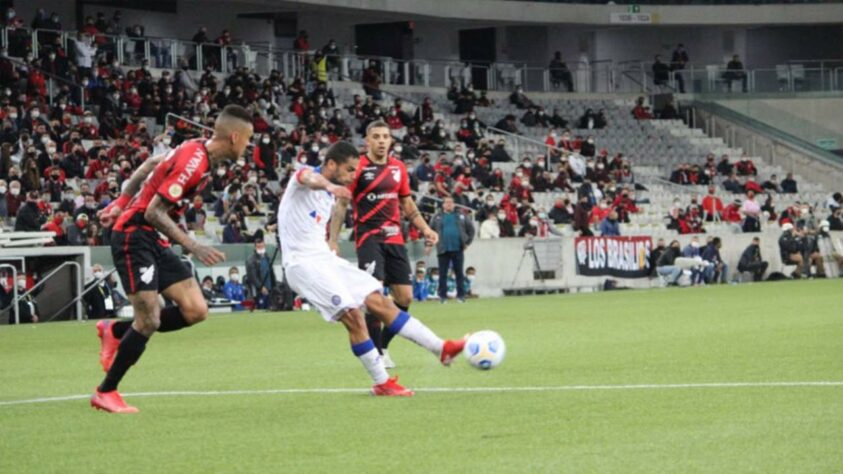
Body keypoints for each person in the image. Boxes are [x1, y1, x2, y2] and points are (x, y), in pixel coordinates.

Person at [90, 105, 252, 413]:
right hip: (134, 236)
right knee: (149, 318)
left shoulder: (194, 149)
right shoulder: (194, 162)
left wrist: (121, 200)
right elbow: (154, 211)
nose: (248, 146)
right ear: (234, 137)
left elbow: (151, 163)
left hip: (153, 238)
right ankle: (106, 392)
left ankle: (115, 332)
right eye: (248, 139)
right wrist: (194, 246)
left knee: (196, 310)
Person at [277, 141, 467, 396]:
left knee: (379, 301)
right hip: (302, 264)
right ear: (331, 165)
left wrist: (331, 239)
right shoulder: (304, 179)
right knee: (353, 315)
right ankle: (382, 382)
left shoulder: (330, 194)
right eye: (350, 170)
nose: (354, 176)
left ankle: (440, 348)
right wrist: (330, 184)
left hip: (324, 260)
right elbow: (307, 176)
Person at [329, 121, 439, 369]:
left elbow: (408, 206)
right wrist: (333, 240)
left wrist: (426, 229)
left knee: (405, 297)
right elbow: (342, 205)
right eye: (376, 136)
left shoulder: (398, 168)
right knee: (374, 295)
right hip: (369, 237)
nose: (381, 141)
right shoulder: (357, 167)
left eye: (385, 137)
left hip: (395, 238)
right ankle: (376, 353)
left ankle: (385, 346)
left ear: (391, 141)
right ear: (367, 141)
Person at [430, 197, 475, 304]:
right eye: (447, 202)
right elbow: (430, 231)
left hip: (458, 248)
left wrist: (467, 243)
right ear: (443, 205)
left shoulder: (461, 216)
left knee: (459, 273)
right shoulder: (437, 217)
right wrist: (429, 244)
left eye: (451, 202)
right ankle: (442, 297)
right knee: (443, 273)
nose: (449, 204)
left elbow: (471, 229)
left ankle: (461, 296)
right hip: (443, 249)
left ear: (454, 204)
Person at [246, 239, 276, 309]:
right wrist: (261, 287)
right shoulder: (251, 259)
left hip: (270, 288)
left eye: (262, 246)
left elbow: (272, 273)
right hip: (259, 291)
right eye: (258, 247)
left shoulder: (267, 257)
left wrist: (274, 286)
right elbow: (252, 276)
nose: (260, 248)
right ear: (255, 247)